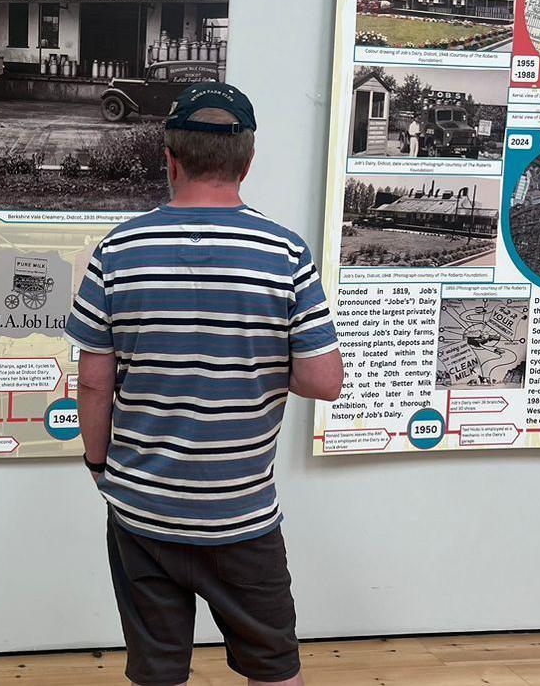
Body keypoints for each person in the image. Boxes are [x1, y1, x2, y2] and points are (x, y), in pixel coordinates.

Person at [64, 82, 344, 686]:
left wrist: (98, 465)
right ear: (247, 161)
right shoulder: (284, 251)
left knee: (158, 672)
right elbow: (323, 380)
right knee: (273, 669)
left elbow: (92, 383)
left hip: (141, 509)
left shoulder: (119, 249)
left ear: (169, 157)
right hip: (240, 514)